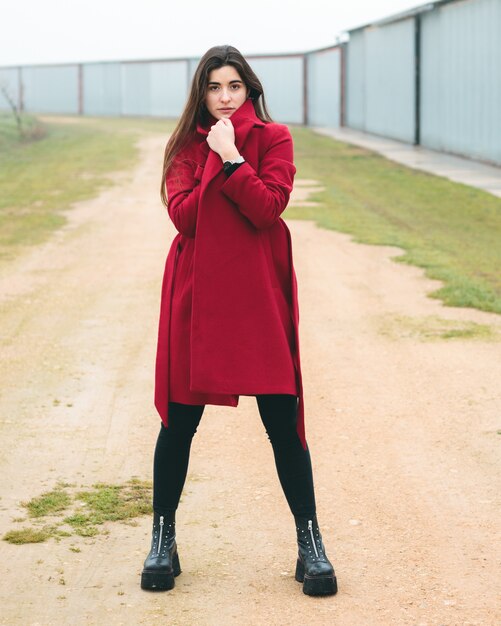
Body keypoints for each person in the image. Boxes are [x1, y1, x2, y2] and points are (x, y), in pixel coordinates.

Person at [141, 44, 337, 597]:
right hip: (197, 293)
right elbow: (184, 218)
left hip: (257, 292)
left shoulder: (274, 139)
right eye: (214, 87)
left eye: (234, 86)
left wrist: (233, 158)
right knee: (178, 423)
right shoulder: (185, 145)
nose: (225, 98)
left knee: (282, 419)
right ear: (201, 93)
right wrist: (210, 153)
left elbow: (267, 209)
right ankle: (162, 539)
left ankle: (311, 543)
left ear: (249, 89)